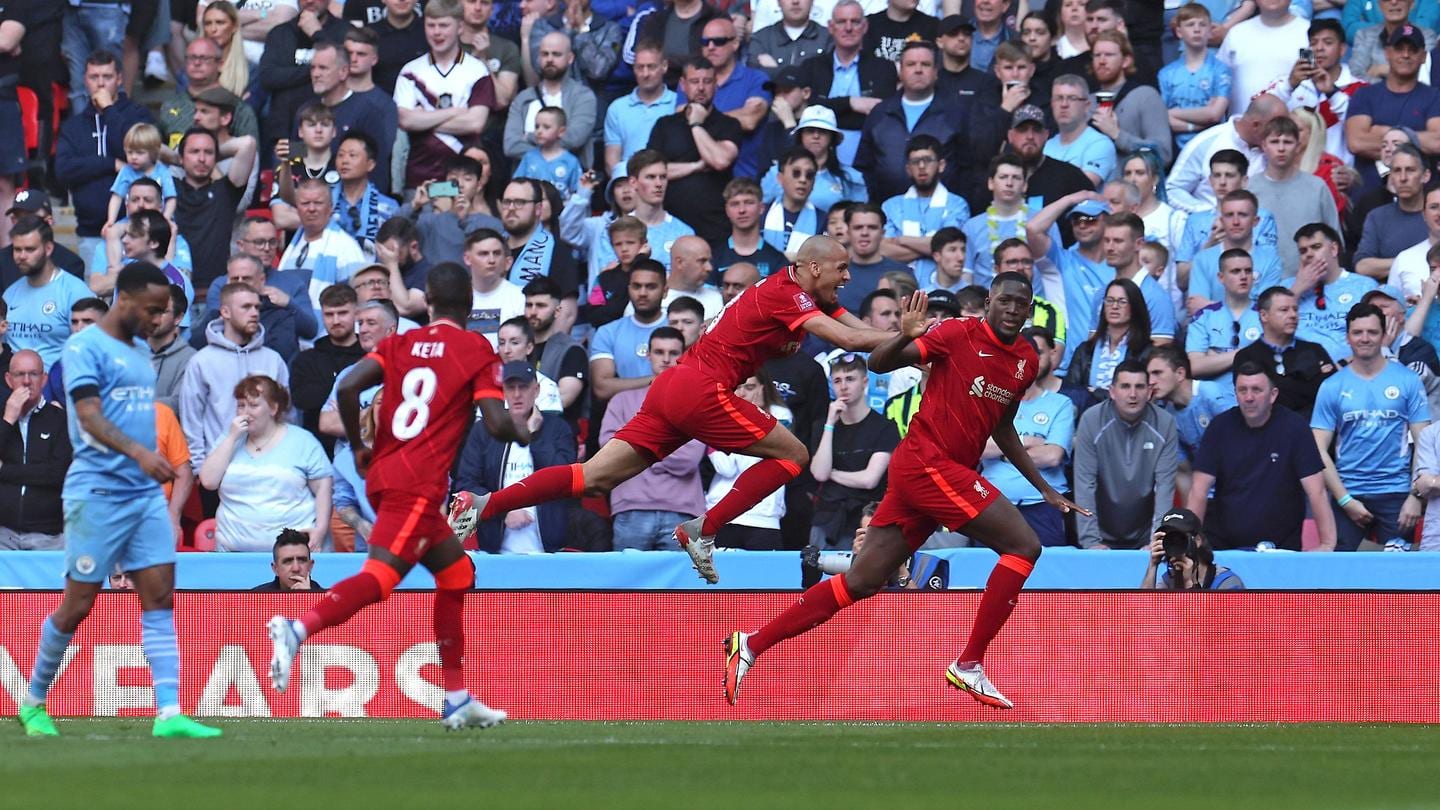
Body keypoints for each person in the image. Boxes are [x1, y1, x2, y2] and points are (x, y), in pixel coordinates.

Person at [724, 275, 1088, 709]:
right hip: (928, 463)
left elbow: (1003, 426)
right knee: (1024, 546)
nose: (1012, 308)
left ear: (1029, 310)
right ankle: (970, 663)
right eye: (1005, 300)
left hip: (930, 472)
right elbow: (877, 363)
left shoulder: (1024, 359)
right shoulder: (955, 334)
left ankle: (750, 644)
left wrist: (1043, 487)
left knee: (862, 580)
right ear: (988, 301)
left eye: (1021, 303)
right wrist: (904, 337)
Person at [472, 236, 899, 582]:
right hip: (700, 387)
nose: (847, 277)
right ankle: (703, 529)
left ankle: (483, 505)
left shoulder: (809, 295)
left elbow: (860, 328)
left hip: (675, 385)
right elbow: (851, 342)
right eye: (842, 269)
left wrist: (903, 336)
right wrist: (919, 341)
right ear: (816, 268)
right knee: (794, 456)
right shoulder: (787, 294)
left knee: (593, 477)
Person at [266, 262, 531, 731]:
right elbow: (494, 421)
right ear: (469, 304)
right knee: (381, 579)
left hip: (392, 473)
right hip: (416, 483)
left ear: (427, 302)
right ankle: (297, 629)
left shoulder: (401, 342)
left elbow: (347, 385)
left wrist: (361, 445)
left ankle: (457, 699)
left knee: (456, 576)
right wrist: (522, 429)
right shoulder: (475, 348)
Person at [18, 263, 221, 739]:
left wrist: (147, 464)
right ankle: (33, 702)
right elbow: (88, 416)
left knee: (160, 597)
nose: (157, 320)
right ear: (124, 300)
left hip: (144, 496)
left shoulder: (135, 350)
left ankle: (169, 713)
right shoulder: (84, 347)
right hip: (97, 494)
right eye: (151, 310)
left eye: (163, 312)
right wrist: (139, 453)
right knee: (78, 603)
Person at [1311, 302, 1430, 551]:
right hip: (1349, 493)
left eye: (1372, 332)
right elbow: (1317, 449)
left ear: (1384, 334)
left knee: (1397, 582)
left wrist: (1415, 497)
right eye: (1357, 332)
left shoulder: (1408, 380)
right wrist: (1344, 500)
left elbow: (1424, 443)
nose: (1364, 338)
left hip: (1397, 494)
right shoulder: (1332, 386)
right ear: (1347, 337)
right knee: (1343, 580)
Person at [1189, 361, 1336, 551]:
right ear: (1235, 394)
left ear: (1273, 395)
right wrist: (1191, 543)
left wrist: (1327, 543)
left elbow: (1316, 491)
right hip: (1224, 547)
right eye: (1242, 390)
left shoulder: (1295, 428)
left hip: (1281, 549)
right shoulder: (1219, 427)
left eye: (1256, 390)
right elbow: (1198, 490)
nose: (1249, 397)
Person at [598, 328, 709, 550]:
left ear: (683, 354)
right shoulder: (621, 401)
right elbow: (609, 450)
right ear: (648, 355)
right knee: (629, 583)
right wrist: (667, 447)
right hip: (631, 507)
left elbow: (689, 458)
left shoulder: (696, 402)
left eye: (673, 352)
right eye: (659, 352)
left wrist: (639, 448)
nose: (666, 359)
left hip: (683, 512)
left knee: (681, 585)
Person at [198, 374, 332, 553]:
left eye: (253, 405)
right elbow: (208, 481)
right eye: (241, 405)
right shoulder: (229, 438)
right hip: (231, 553)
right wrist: (231, 437)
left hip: (290, 556)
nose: (245, 413)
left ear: (273, 408)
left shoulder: (303, 441)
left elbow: (323, 487)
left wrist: (321, 529)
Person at [453, 360, 575, 553]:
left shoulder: (558, 429)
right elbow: (466, 484)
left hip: (550, 550)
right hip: (497, 549)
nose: (517, 394)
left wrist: (534, 436)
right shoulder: (484, 431)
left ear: (536, 390)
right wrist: (503, 511)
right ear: (502, 392)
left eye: (523, 387)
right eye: (510, 388)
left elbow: (567, 480)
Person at [180, 283, 290, 493]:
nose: (254, 313)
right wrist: (200, 468)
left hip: (269, 473)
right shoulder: (201, 362)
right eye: (246, 307)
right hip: (219, 474)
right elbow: (191, 421)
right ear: (225, 312)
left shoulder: (273, 360)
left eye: (257, 307)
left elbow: (285, 416)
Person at [55, 51, 155, 268]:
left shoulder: (139, 115)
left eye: (107, 77)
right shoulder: (74, 126)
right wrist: (109, 164)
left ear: (119, 78)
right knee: (96, 298)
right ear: (85, 80)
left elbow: (136, 148)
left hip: (139, 231)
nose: (100, 84)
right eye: (94, 77)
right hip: (91, 232)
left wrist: (109, 109)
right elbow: (63, 170)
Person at [977, 329, 1074, 548]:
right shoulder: (989, 401)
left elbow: (1052, 456)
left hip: (1043, 507)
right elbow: (978, 448)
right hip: (993, 506)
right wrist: (1027, 441)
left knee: (1046, 579)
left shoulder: (1061, 404)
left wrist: (1002, 449)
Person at [1073, 359, 1180, 550]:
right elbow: (1084, 485)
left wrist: (1156, 541)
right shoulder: (1091, 420)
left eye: (1139, 387)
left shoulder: (1165, 423)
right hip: (1100, 533)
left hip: (1145, 535)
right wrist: (1091, 541)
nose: (1133, 394)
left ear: (1149, 392)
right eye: (1125, 386)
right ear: (1112, 391)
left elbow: (1165, 487)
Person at [394, 0, 497, 191]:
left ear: (460, 27)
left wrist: (423, 119)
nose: (436, 32)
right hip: (421, 182)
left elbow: (475, 124)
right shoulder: (410, 71)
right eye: (431, 25)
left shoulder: (477, 70)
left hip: (462, 183)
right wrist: (455, 112)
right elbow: (405, 120)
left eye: (443, 25)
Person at [646, 57, 744, 242]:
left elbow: (720, 161)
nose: (700, 87)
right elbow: (652, 172)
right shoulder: (665, 125)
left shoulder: (729, 125)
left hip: (715, 228)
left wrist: (696, 124)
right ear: (683, 84)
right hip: (669, 226)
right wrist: (696, 166)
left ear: (716, 84)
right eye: (694, 81)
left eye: (707, 81)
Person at [808, 352, 899, 549]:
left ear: (865, 382)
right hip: (827, 518)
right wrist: (830, 424)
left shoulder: (885, 427)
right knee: (816, 576)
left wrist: (832, 473)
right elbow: (819, 473)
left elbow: (869, 480)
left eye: (850, 379)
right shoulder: (822, 426)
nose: (843, 386)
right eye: (837, 380)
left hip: (865, 517)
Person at [797, 0, 899, 166]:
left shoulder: (884, 68)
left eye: (855, 21)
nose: (848, 28)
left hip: (868, 161)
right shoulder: (812, 67)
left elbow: (881, 116)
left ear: (865, 27)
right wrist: (852, 103)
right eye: (842, 22)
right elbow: (807, 112)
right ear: (831, 27)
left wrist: (829, 111)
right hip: (815, 164)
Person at [1344, 23, 1440, 189]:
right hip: (1369, 194)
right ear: (1387, 53)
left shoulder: (1435, 96)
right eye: (1399, 49)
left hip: (1422, 197)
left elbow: (1437, 142)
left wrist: (1386, 134)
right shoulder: (1364, 95)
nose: (1405, 55)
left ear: (1424, 56)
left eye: (1412, 50)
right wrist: (1416, 143)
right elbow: (1356, 142)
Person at [1166, 94, 1288, 215]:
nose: (1282, 133)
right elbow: (1172, 190)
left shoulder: (1278, 151)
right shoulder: (1207, 142)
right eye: (1277, 127)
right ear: (1256, 125)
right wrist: (1211, 214)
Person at [1249, 117, 1342, 277]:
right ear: (1264, 145)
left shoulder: (1316, 187)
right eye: (1275, 141)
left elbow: (1334, 238)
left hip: (1313, 281)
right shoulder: (1250, 189)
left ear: (1298, 146)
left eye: (1288, 142)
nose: (1281, 148)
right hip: (1262, 282)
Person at [259, 0, 350, 154]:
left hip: (330, 138)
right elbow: (268, 77)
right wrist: (317, 70)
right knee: (288, 175)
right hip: (285, 136)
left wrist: (318, 35)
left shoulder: (345, 32)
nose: (309, 1)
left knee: (321, 173)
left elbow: (346, 70)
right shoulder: (281, 33)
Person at [3, 217, 94, 370]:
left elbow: (89, 348)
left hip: (58, 386)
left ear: (48, 249)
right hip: (13, 387)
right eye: (17, 249)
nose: (22, 256)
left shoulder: (75, 292)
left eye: (30, 249)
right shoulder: (10, 294)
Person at [0, 349, 69, 551]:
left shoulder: (60, 420)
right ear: (8, 379)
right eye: (20, 374)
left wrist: (4, 471)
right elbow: (44, 471)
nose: (27, 381)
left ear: (44, 379)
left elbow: (57, 474)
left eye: (34, 374)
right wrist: (8, 419)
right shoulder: (2, 418)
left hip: (49, 536)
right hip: (2, 534)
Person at [176, 127, 258, 293]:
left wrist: (211, 156)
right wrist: (179, 158)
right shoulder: (169, 187)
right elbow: (150, 148)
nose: (201, 159)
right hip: (176, 291)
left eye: (208, 152)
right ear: (181, 157)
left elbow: (248, 144)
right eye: (194, 152)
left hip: (215, 292)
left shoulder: (226, 191)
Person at [503, 32, 596, 163]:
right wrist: (552, 144)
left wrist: (530, 137)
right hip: (526, 180)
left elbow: (575, 139)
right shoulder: (523, 99)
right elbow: (510, 146)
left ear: (570, 58)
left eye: (556, 54)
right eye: (545, 54)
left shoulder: (583, 96)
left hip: (568, 179)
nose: (550, 59)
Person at [289, 283, 364, 444]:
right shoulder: (306, 360)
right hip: (318, 446)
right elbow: (302, 399)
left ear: (357, 314)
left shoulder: (370, 356)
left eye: (342, 313)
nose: (336, 320)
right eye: (329, 314)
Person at [1292, 222, 1378, 362]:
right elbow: (1265, 325)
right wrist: (1298, 288)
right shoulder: (1288, 288)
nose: (1309, 254)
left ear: (1333, 249)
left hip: (1351, 369)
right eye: (1303, 251)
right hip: (1299, 373)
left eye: (1316, 247)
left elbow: (1378, 334)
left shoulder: (1364, 286)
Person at [1186, 191, 1284, 313]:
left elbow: (1267, 311)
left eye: (1243, 215)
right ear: (1221, 220)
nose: (1236, 222)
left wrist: (1211, 306)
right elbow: (1196, 309)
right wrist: (1250, 307)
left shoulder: (1270, 260)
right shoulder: (1202, 259)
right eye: (1229, 215)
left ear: (1256, 221)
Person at [1088, 31, 1171, 169]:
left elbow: (1163, 154)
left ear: (1126, 61)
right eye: (1097, 55)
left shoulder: (1146, 96)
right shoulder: (1086, 102)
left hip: (1131, 186)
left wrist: (1117, 135)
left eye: (1109, 55)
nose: (1101, 61)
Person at [1216, 0, 1307, 119]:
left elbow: (1312, 80)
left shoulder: (1308, 33)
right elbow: (1219, 84)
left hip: (1294, 130)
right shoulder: (1236, 34)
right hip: (1243, 131)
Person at [1160, 4, 1232, 153]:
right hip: (1178, 149)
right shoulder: (1166, 73)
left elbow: (1215, 115)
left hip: (1214, 147)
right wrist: (1198, 121)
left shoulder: (1221, 69)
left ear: (1210, 31)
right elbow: (1162, 118)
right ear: (1179, 32)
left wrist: (1173, 113)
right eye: (1190, 24)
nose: (1197, 29)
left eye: (1203, 24)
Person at [1355, 144, 1430, 282]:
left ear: (1425, 176)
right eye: (1396, 171)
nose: (1403, 178)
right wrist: (1408, 261)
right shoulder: (1377, 217)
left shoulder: (1435, 215)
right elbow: (1362, 266)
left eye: (1410, 170)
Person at [1187, 248, 1263, 380]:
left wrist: (1214, 358)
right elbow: (1194, 367)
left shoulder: (1265, 314)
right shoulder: (1204, 316)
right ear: (1221, 277)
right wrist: (1248, 352)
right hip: (1212, 396)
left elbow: (1268, 361)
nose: (1244, 276)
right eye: (1235, 271)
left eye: (1248, 271)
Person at [1140, 509, 1245, 590]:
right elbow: (1141, 614)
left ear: (1198, 541)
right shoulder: (1168, 581)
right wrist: (1153, 565)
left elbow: (1208, 619)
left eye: (1179, 538)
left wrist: (1188, 584)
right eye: (1169, 538)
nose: (1174, 543)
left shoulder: (1227, 582)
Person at [712, 179, 791, 282]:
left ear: (761, 208)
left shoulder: (778, 261)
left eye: (749, 203)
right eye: (735, 204)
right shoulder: (714, 257)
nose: (742, 210)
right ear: (726, 210)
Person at [461, 228, 525, 345]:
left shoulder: (520, 297)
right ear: (467, 258)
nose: (491, 260)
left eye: (496, 253)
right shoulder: (456, 298)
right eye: (483, 254)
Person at [748, 0, 832, 77]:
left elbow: (827, 79)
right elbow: (754, 79)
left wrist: (775, 70)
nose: (795, 1)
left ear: (812, 1)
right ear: (778, 2)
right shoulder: (761, 39)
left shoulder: (828, 38)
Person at [149, 285, 195, 412]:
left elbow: (179, 403)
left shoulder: (191, 359)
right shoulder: (129, 351)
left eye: (163, 311)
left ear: (178, 318)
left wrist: (132, 404)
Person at [252, 529, 327, 591]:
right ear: (275, 569)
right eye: (288, 561)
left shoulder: (326, 600)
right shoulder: (255, 598)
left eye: (301, 560)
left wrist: (308, 598)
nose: (296, 568)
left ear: (310, 566)